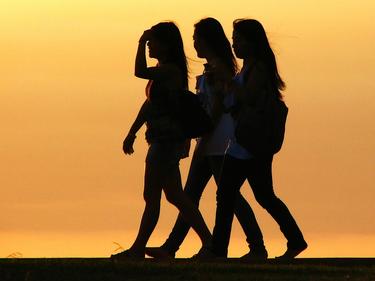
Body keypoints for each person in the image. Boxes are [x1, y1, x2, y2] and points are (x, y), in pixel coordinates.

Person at [145, 17, 267, 260]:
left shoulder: (219, 68)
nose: (194, 44)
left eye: (196, 39)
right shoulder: (211, 67)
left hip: (218, 141)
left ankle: (256, 246)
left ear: (207, 40)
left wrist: (203, 134)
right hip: (208, 139)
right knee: (190, 195)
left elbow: (219, 107)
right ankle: (172, 247)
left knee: (226, 195)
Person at [111, 22, 213, 260]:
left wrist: (138, 42)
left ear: (165, 45)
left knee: (152, 196)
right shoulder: (163, 72)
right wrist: (132, 131)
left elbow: (139, 71)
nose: (148, 46)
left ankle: (137, 249)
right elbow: (148, 105)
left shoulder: (171, 71)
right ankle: (209, 242)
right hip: (162, 140)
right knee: (175, 196)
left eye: (151, 42)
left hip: (166, 142)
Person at [211, 19, 307, 259]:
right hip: (244, 142)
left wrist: (229, 81)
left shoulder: (259, 68)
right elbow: (235, 103)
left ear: (253, 42)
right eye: (234, 40)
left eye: (239, 40)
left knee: (226, 194)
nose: (235, 45)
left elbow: (249, 97)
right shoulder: (248, 67)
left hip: (248, 144)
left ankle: (219, 251)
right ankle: (295, 240)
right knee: (262, 195)